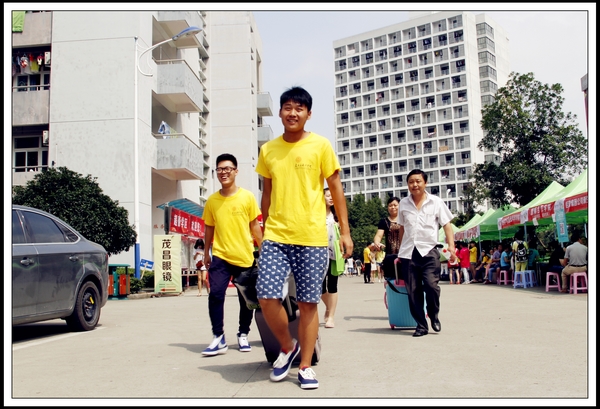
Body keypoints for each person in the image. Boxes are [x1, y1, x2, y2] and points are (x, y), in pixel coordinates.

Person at [254, 86, 353, 389]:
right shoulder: (268, 150)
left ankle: (306, 366)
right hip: (276, 235)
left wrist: (345, 232)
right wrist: (264, 230)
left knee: (309, 303)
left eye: (299, 108)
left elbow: (335, 187)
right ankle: (288, 347)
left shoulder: (320, 145)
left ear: (308, 114)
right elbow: (267, 192)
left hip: (312, 236)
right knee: (266, 295)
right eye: (288, 107)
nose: (293, 113)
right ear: (280, 112)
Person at [201, 153, 263, 357]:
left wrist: (263, 249)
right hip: (220, 255)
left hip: (244, 255)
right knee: (216, 294)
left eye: (227, 169)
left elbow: (255, 226)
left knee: (246, 299)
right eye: (219, 169)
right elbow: (209, 228)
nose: (223, 172)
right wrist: (206, 252)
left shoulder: (247, 197)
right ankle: (218, 337)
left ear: (236, 171)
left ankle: (243, 333)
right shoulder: (212, 200)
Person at [397, 169, 456, 337]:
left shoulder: (436, 202)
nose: (414, 185)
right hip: (409, 253)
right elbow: (402, 228)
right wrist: (400, 251)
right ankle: (421, 325)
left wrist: (451, 247)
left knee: (431, 286)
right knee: (413, 291)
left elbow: (447, 225)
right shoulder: (403, 204)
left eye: (418, 181)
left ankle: (433, 314)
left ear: (425, 183)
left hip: (429, 251)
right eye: (411, 182)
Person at [370, 196, 402, 282]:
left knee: (406, 280)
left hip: (404, 255)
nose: (393, 207)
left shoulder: (405, 219)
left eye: (395, 205)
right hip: (390, 256)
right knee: (391, 280)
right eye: (390, 205)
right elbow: (378, 235)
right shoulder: (383, 222)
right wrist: (377, 242)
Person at [322, 187, 340, 329]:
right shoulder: (315, 213)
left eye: (333, 195)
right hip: (318, 253)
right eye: (328, 195)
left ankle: (331, 317)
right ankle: (329, 308)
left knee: (332, 285)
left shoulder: (337, 215)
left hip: (334, 253)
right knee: (320, 287)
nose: (331, 198)